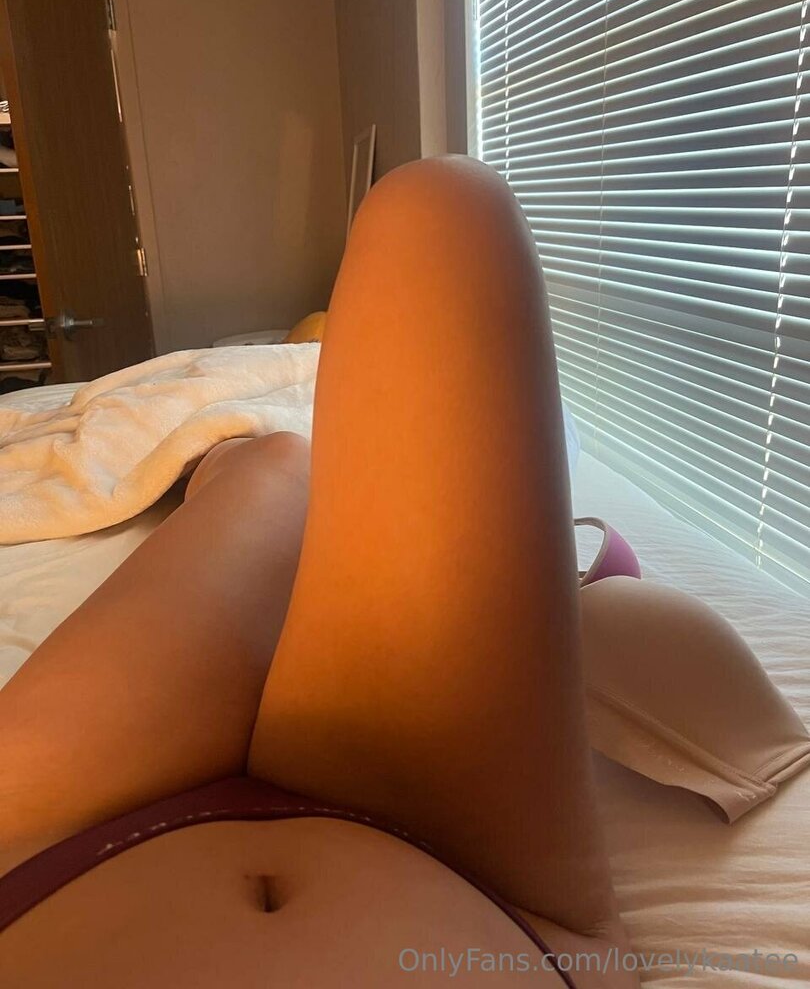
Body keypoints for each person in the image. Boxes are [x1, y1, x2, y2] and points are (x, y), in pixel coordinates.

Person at [0, 157, 637, 986]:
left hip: (28, 849)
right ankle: (257, 457)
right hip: (494, 895)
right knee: (443, 210)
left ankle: (244, 459)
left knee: (286, 443)